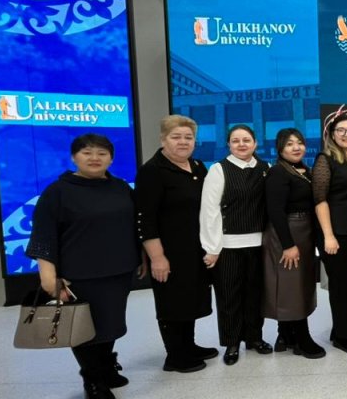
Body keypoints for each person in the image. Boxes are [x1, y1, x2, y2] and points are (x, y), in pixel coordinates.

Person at [26, 134, 143, 399]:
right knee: (83, 329)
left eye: (102, 153)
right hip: (79, 274)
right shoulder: (57, 192)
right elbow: (44, 236)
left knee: (111, 325)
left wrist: (141, 257)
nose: (94, 158)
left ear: (111, 158)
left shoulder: (120, 187)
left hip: (118, 271)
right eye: (87, 153)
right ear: (74, 157)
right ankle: (92, 379)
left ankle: (105, 366)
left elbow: (132, 225)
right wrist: (48, 277)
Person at [136, 115, 217, 374]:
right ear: (163, 139)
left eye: (188, 137)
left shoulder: (197, 166)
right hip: (168, 251)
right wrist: (157, 257)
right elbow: (145, 218)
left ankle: (188, 345)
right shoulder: (152, 171)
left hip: (194, 248)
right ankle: (175, 355)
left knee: (190, 297)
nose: (183, 142)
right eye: (176, 137)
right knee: (171, 301)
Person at [200, 124, 272, 365]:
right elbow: (209, 211)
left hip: (259, 244)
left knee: (255, 295)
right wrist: (212, 247)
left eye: (246, 140)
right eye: (235, 140)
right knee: (229, 296)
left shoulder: (265, 168)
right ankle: (232, 343)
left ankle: (254, 338)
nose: (241, 144)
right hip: (228, 246)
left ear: (255, 143)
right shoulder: (219, 169)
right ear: (228, 144)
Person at [263, 127, 325, 359]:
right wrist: (288, 245)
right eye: (289, 144)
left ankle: (286, 334)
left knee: (299, 284)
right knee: (292, 287)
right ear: (280, 148)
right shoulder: (278, 172)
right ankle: (302, 338)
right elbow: (275, 211)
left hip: (304, 232)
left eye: (299, 142)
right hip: (287, 233)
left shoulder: (304, 170)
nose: (296, 147)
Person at [312, 114, 347, 353]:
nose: (346, 134)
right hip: (335, 233)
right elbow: (320, 199)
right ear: (332, 135)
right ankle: (345, 337)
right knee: (340, 285)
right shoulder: (325, 160)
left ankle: (341, 329)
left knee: (345, 282)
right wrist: (328, 236)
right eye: (341, 130)